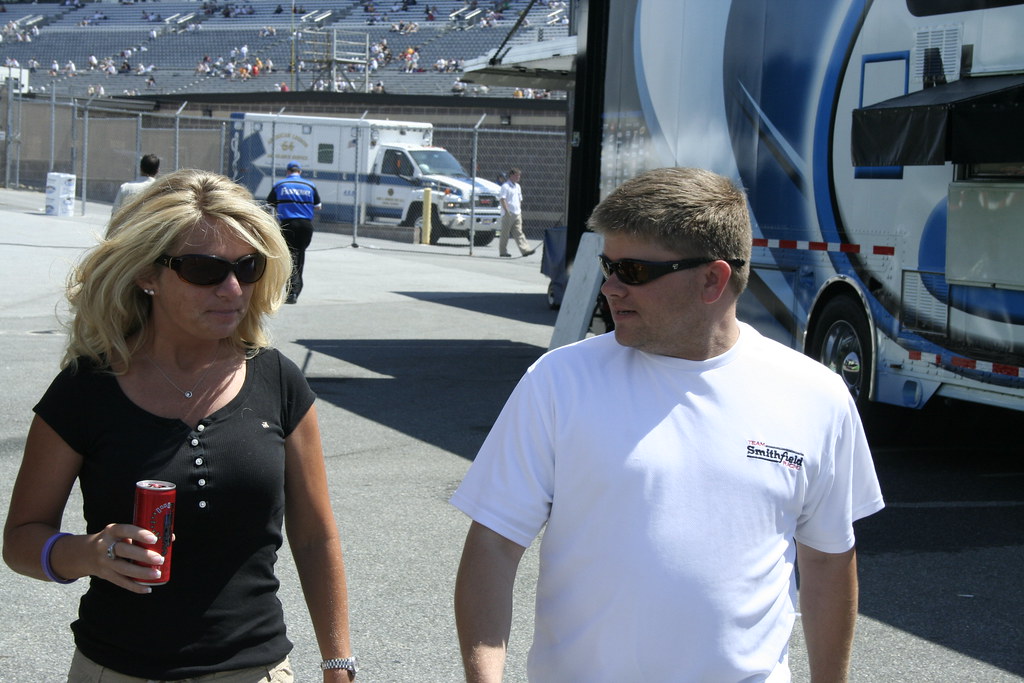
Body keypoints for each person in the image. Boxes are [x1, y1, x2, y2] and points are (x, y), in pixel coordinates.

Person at [451, 167, 884, 682]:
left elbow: (829, 560)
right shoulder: (558, 382)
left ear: (713, 279)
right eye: (607, 264)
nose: (609, 287)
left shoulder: (817, 396)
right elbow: (493, 548)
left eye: (632, 271)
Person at [2, 169, 357, 682]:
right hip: (117, 669)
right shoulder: (87, 388)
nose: (232, 288)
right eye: (203, 270)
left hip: (256, 672)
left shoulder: (278, 380)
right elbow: (20, 540)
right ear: (148, 274)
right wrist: (85, 553)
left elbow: (315, 536)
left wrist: (338, 662)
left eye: (248, 266)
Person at [266, 161, 321, 304]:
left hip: (288, 224)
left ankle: (289, 291)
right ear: (300, 172)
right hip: (306, 226)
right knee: (299, 256)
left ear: (288, 171)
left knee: (289, 257)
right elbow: (318, 206)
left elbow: (270, 203)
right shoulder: (310, 185)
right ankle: (294, 291)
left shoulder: (280, 185)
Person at [497, 167, 534, 258]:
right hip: (508, 214)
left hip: (517, 213)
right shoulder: (505, 186)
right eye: (517, 175)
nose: (518, 177)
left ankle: (525, 250)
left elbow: (519, 199)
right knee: (505, 234)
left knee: (519, 232)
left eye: (519, 175)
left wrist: (519, 210)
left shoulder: (518, 186)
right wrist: (507, 210)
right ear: (511, 175)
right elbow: (503, 199)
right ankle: (503, 251)